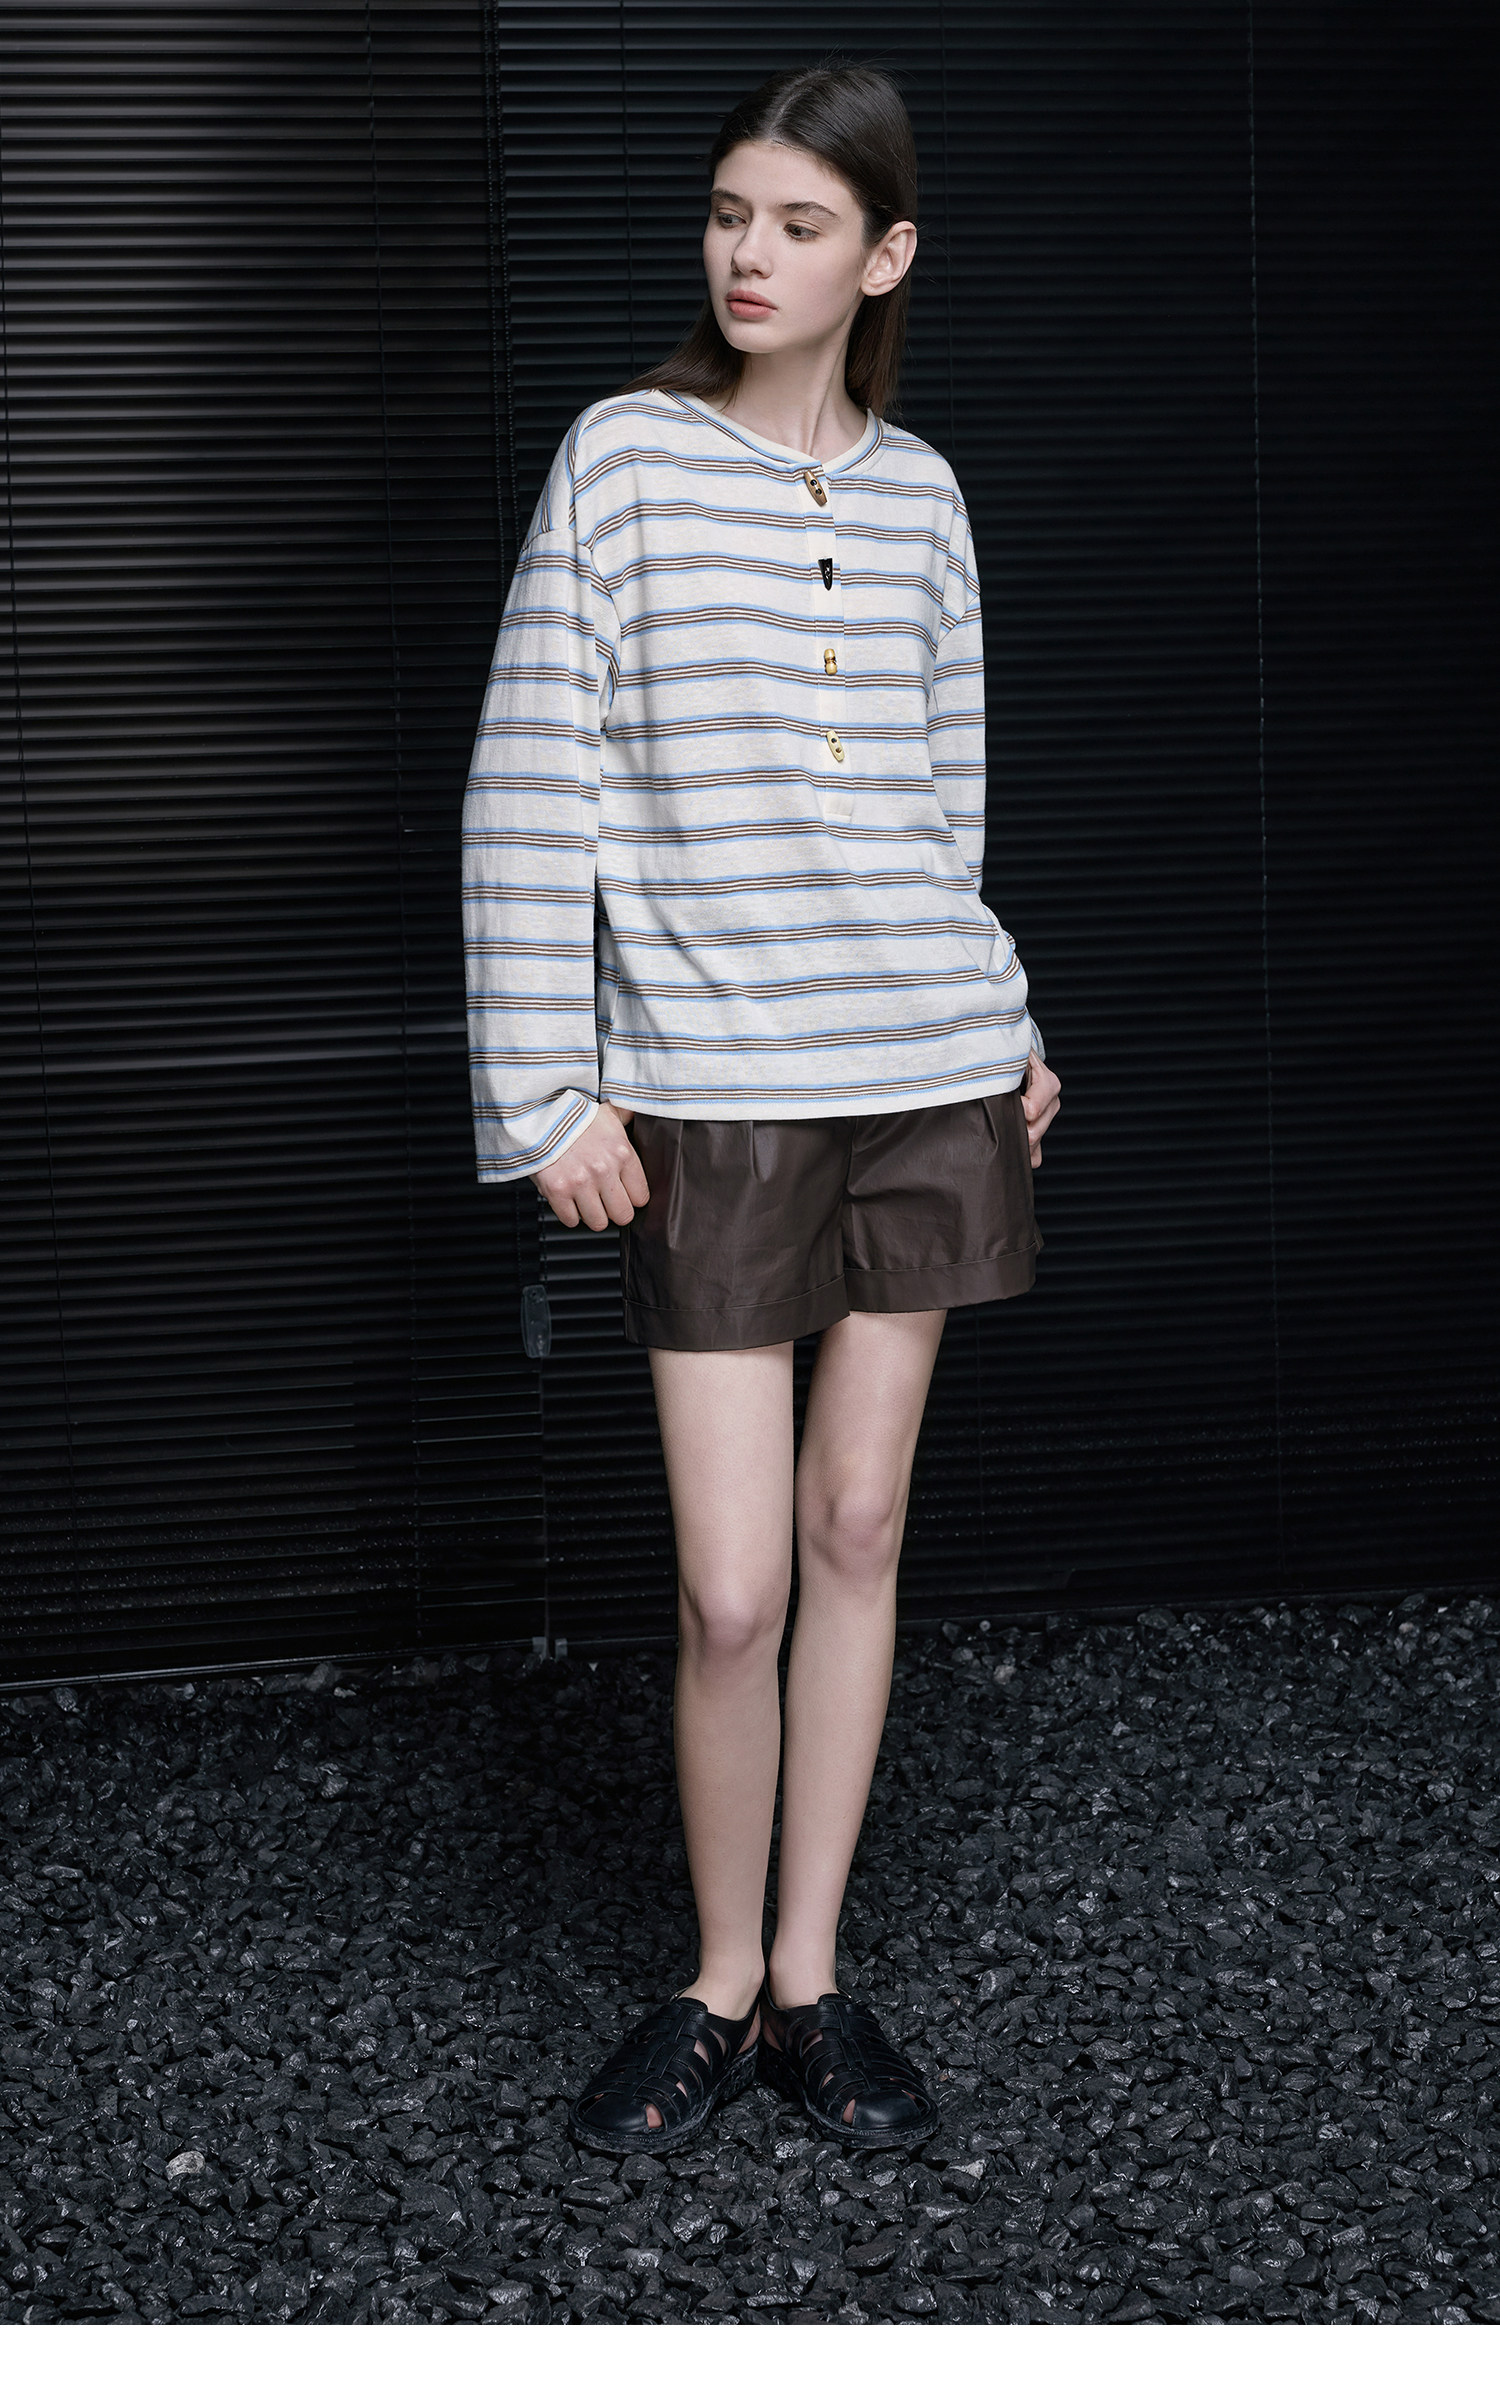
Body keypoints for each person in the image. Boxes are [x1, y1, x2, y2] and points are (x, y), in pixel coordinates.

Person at [461, 59, 1061, 2157]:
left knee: (857, 1528)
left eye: (800, 225)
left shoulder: (925, 498)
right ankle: (711, 1983)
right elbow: (530, 780)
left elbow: (941, 809)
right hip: (712, 1095)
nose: (749, 254)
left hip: (924, 1072)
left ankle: (810, 1980)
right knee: (731, 1589)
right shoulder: (622, 460)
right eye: (730, 212)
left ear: (883, 258)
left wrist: (1003, 1023)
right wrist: (547, 1090)